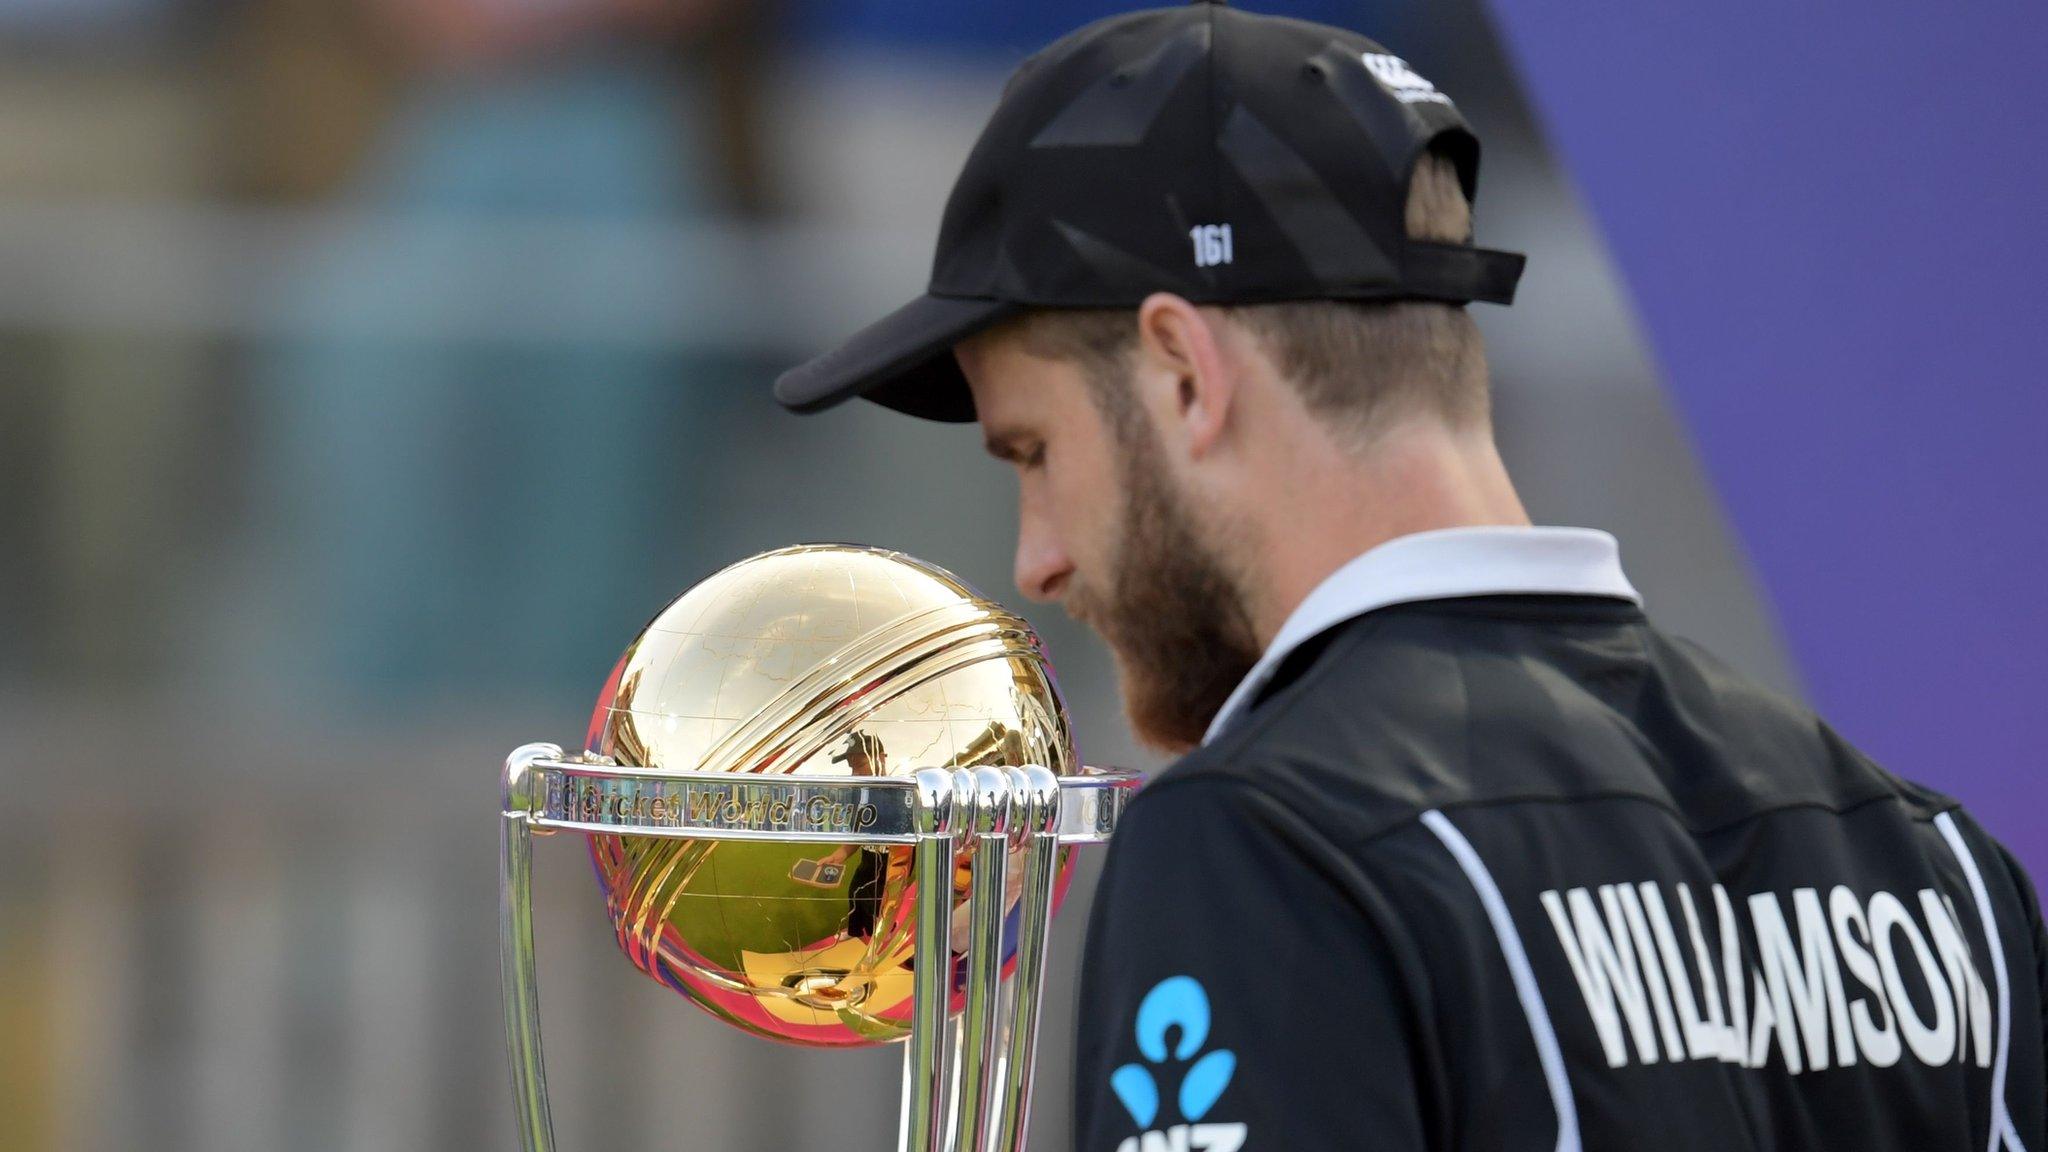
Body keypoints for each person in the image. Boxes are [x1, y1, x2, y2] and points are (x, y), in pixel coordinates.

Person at [773, 4, 2047, 1149]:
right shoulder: (1929, 864)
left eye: (1035, 452)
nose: (1034, 557)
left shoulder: (1265, 846)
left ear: (1181, 375)